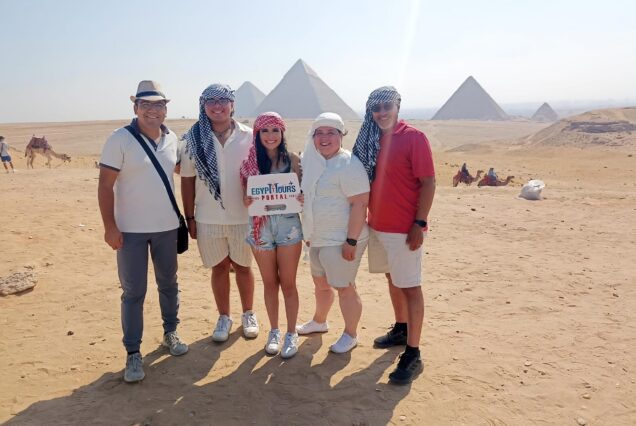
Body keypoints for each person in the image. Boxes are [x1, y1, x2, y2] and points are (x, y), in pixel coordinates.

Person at [98, 80, 188, 383]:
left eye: (158, 105)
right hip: (131, 231)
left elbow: (183, 170)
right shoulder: (119, 139)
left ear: (166, 109)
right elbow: (105, 185)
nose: (152, 110)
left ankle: (170, 332)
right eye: (146, 104)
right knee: (134, 292)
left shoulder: (172, 138)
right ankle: (133, 352)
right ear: (135, 107)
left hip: (166, 228)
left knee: (169, 284)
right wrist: (110, 227)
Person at [352, 86, 436, 385]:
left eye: (387, 106)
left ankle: (413, 353)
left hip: (404, 228)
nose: (382, 113)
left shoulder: (413, 137)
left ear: (397, 106)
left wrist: (419, 223)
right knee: (392, 278)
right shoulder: (370, 139)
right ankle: (402, 328)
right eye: (376, 108)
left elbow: (428, 182)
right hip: (377, 225)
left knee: (410, 287)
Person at [181, 83, 259, 343]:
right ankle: (224, 317)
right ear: (203, 105)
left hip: (243, 217)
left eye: (223, 100)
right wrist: (190, 217)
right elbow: (187, 180)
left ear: (232, 104)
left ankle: (248, 313)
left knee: (244, 266)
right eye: (211, 101)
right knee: (219, 268)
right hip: (207, 217)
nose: (217, 106)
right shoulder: (192, 139)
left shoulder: (250, 135)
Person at [297, 113, 370, 354]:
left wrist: (351, 241)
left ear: (341, 135)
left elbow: (360, 203)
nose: (324, 138)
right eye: (319, 133)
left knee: (345, 287)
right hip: (317, 238)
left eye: (331, 133)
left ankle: (351, 334)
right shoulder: (312, 162)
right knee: (321, 285)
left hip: (341, 239)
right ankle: (319, 321)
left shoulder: (348, 164)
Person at [240, 112, 302, 358]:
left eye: (275, 130)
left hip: (289, 228)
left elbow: (302, 191)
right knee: (269, 283)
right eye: (264, 131)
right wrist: (247, 200)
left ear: (282, 132)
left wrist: (301, 197)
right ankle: (274, 331)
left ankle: (291, 333)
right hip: (260, 228)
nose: (270, 135)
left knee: (288, 283)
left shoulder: (294, 160)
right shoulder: (249, 163)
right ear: (257, 134)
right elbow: (245, 197)